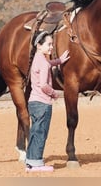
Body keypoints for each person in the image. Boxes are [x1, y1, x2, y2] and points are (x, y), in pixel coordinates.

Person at [25, 31, 70, 173]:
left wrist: (59, 61)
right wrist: (54, 93)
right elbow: (44, 85)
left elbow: (47, 64)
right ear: (39, 45)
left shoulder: (38, 59)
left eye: (51, 44)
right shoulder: (43, 62)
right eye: (48, 44)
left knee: (35, 132)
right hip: (42, 103)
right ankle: (37, 165)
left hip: (33, 102)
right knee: (41, 133)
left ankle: (31, 161)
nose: (51, 47)